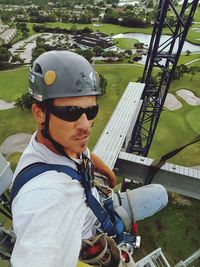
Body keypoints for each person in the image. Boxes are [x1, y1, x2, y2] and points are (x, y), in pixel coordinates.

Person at [11, 51, 168, 267]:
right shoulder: (47, 199)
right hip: (92, 239)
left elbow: (82, 154)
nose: (85, 124)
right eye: (71, 111)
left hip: (99, 205)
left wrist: (108, 174)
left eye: (91, 110)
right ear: (39, 113)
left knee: (162, 194)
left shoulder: (57, 142)